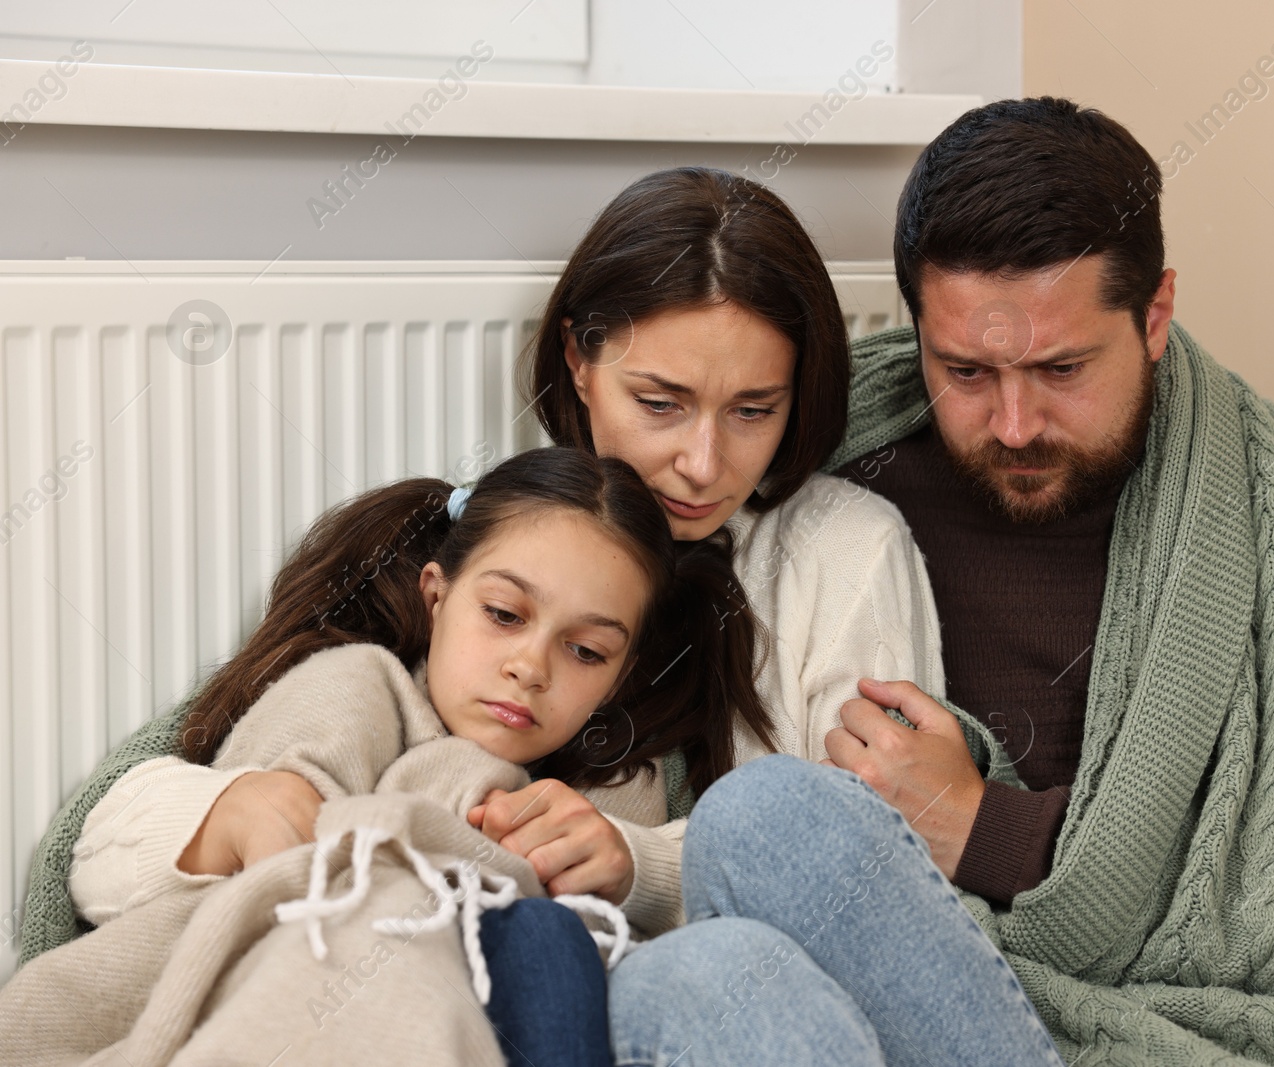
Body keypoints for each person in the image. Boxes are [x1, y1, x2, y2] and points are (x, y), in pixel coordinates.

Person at [622, 98, 1274, 1064]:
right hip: (907, 982)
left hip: (1142, 1012)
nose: (1012, 423)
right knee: (710, 932)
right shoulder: (803, 464)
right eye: (964, 371)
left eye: (1060, 368)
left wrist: (983, 827)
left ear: (1155, 313)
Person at [20, 167, 1062, 1064]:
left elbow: (872, 861)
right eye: (660, 403)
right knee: (701, 966)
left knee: (768, 818)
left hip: (802, 960)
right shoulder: (492, 549)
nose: (702, 463)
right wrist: (233, 806)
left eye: (754, 410)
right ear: (579, 359)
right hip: (640, 986)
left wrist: (635, 861)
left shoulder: (841, 545)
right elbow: (160, 786)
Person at [1, 445, 765, 1065]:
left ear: (620, 674)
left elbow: (671, 928)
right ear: (437, 597)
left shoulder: (613, 786)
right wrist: (231, 817)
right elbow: (228, 882)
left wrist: (630, 867)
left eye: (586, 650)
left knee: (551, 941)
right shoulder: (357, 686)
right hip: (323, 1000)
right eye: (503, 614)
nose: (531, 666)